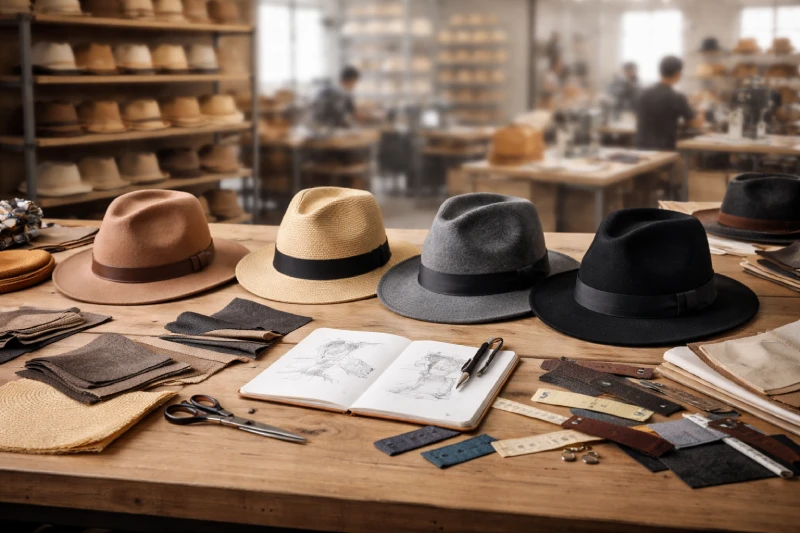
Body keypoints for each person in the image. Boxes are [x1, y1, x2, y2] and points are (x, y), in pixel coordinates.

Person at [635, 56, 703, 150]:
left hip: (641, 148)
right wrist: (701, 109)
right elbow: (696, 123)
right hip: (664, 150)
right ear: (677, 74)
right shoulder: (676, 97)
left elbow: (638, 117)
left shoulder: (643, 93)